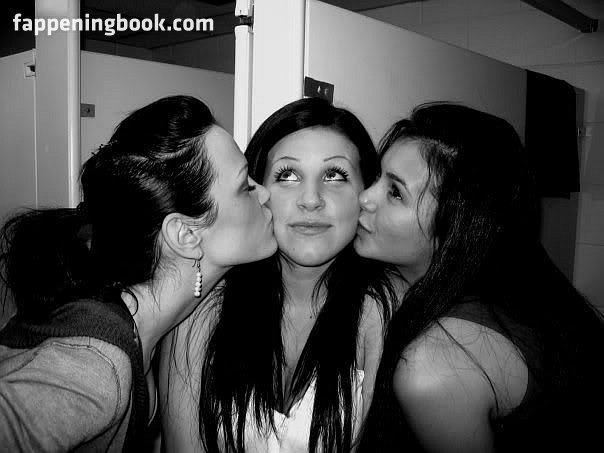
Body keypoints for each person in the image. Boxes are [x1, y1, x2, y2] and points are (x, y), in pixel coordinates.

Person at [0, 95, 276, 452]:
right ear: (186, 234)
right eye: (245, 186)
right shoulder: (97, 365)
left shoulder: (139, 320)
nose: (264, 193)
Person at [354, 102, 604, 452]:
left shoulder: (431, 368)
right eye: (377, 178)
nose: (364, 197)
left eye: (395, 192)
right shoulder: (509, 281)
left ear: (456, 226)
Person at [159, 97, 396, 452]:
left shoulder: (381, 312)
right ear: (257, 192)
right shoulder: (204, 305)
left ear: (366, 193)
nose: (311, 200)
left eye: (335, 175)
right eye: (288, 175)